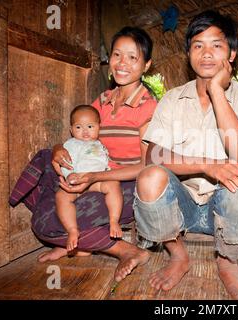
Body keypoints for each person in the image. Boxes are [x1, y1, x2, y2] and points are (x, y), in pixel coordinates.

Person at [133, 10, 238, 300]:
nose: (206, 54)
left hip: (225, 208)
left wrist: (217, 92)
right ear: (188, 53)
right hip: (180, 207)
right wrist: (209, 166)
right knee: (149, 177)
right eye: (198, 45)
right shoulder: (172, 99)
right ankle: (178, 255)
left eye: (216, 45)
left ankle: (228, 262)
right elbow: (153, 155)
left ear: (231, 54)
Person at [28, 26, 157, 282]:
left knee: (46, 222)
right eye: (117, 55)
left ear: (146, 65)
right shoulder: (103, 99)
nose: (122, 63)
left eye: (132, 57)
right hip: (93, 173)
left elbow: (147, 167)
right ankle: (78, 242)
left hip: (124, 186)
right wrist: (58, 151)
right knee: (43, 160)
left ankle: (127, 251)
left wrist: (94, 177)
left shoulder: (149, 106)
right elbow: (81, 135)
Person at [56, 105, 123, 252]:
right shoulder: (71, 144)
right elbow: (65, 162)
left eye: (90, 126)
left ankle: (114, 220)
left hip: (97, 181)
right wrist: (69, 175)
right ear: (71, 130)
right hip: (78, 179)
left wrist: (110, 170)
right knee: (61, 196)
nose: (85, 131)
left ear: (99, 127)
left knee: (113, 184)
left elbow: (105, 162)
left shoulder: (100, 145)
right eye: (79, 127)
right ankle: (72, 229)